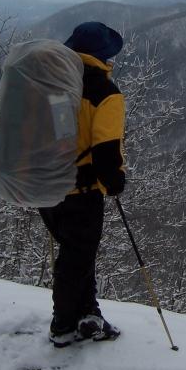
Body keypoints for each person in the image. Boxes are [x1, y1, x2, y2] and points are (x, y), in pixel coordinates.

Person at [39, 21, 126, 347]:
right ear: (103, 56)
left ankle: (89, 315)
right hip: (82, 193)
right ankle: (62, 326)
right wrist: (115, 182)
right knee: (76, 259)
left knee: (78, 255)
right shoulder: (106, 94)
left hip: (48, 188)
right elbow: (105, 155)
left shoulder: (55, 83)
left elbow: (61, 138)